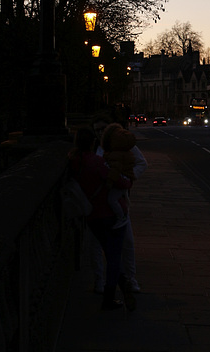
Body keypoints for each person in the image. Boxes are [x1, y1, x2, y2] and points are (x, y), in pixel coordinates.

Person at [68, 126, 134, 310]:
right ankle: (110, 295)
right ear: (93, 143)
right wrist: (127, 181)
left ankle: (122, 284)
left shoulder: (74, 161)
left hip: (91, 215)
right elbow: (120, 181)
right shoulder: (96, 161)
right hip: (109, 214)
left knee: (107, 250)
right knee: (114, 256)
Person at [92, 112, 148, 294]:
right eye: (96, 130)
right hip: (98, 203)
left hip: (119, 201)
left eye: (102, 129)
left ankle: (131, 280)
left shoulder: (122, 145)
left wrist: (126, 180)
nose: (100, 133)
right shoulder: (96, 147)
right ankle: (100, 281)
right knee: (96, 246)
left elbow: (141, 164)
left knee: (127, 242)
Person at [101, 123, 137, 229]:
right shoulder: (126, 152)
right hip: (126, 179)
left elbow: (115, 170)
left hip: (121, 179)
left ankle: (121, 217)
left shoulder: (116, 154)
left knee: (112, 199)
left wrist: (110, 181)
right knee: (120, 199)